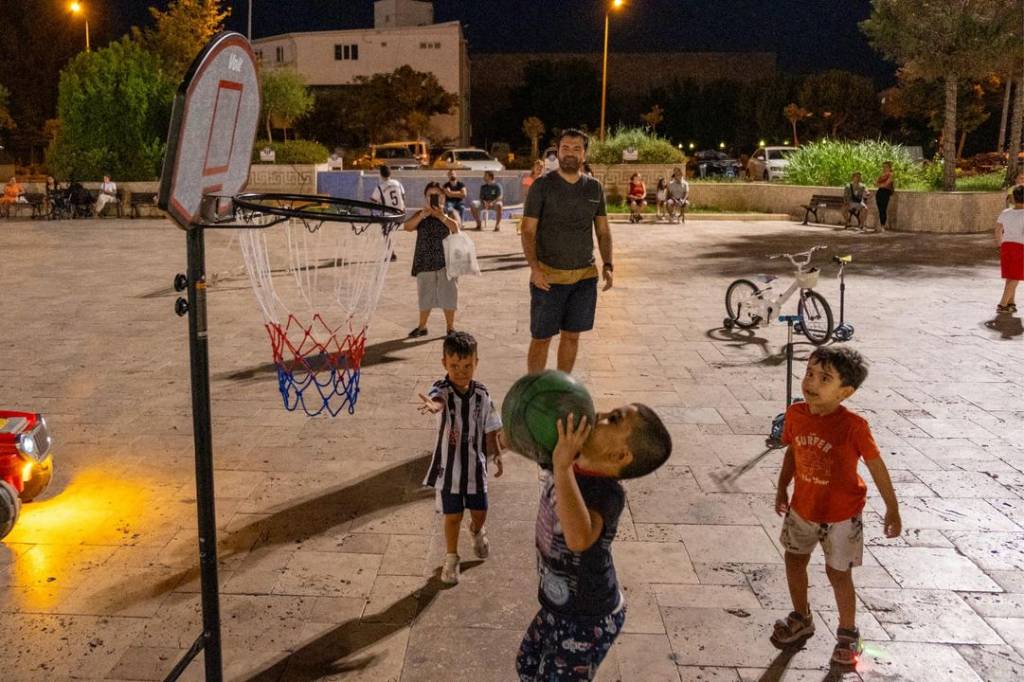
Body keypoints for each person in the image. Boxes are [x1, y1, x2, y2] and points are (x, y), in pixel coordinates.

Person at [515, 404, 673, 680]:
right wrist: (507, 437)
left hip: (588, 620)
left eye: (612, 419)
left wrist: (563, 468)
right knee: (527, 666)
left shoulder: (607, 495)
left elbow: (579, 538)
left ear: (620, 455)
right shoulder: (572, 460)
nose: (598, 415)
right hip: (559, 606)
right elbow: (532, 444)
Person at [773, 347, 901, 667]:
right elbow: (792, 452)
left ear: (845, 392)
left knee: (838, 573)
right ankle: (801, 617)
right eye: (810, 374)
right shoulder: (795, 415)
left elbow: (875, 465)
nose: (811, 382)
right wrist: (781, 486)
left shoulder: (854, 426)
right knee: (794, 560)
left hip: (842, 515)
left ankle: (847, 632)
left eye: (824, 378)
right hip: (803, 508)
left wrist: (892, 507)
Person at [521, 128, 614, 375]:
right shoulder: (542, 186)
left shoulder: (594, 188)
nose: (570, 153)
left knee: (572, 336)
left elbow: (603, 231)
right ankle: (534, 389)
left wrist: (608, 264)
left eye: (576, 149)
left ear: (584, 154)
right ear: (557, 152)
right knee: (541, 337)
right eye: (565, 148)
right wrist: (534, 269)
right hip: (548, 279)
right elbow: (528, 231)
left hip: (584, 278)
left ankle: (562, 386)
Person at [419, 331, 503, 585]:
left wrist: (496, 452)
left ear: (476, 362)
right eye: (454, 365)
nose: (461, 371)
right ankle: (451, 557)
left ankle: (476, 530)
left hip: (476, 467)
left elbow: (491, 425)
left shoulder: (482, 394)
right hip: (449, 470)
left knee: (480, 511)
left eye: (467, 366)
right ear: (444, 363)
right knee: (452, 516)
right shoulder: (442, 390)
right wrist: (434, 405)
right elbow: (436, 398)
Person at [404, 182, 461, 337]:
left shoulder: (449, 212)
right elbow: (407, 227)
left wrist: (441, 216)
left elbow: (456, 228)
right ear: (425, 197)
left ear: (442, 197)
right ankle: (422, 327)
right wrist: (423, 214)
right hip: (424, 261)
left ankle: (450, 327)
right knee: (425, 295)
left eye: (436, 195)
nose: (433, 198)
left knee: (449, 294)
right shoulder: (420, 213)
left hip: (446, 262)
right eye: (430, 195)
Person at [996, 185, 1024, 314]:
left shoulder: (1005, 212)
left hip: (1006, 246)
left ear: (1013, 198)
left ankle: (1010, 303)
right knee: (1016, 277)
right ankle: (1002, 304)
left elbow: (998, 230)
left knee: (1010, 275)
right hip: (1020, 247)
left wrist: (1000, 244)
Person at [372, 165, 406, 261]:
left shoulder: (380, 187)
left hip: (389, 215)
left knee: (386, 234)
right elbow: (403, 197)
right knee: (390, 231)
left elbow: (373, 201)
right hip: (401, 213)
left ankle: (391, 254)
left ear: (381, 175)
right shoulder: (398, 183)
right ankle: (392, 252)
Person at [873, 162, 894, 232]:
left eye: (886, 167)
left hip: (885, 193)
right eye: (883, 167)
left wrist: (879, 184)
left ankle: (883, 226)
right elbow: (875, 183)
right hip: (879, 193)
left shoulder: (891, 174)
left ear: (889, 168)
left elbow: (886, 184)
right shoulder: (881, 175)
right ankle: (879, 225)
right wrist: (880, 184)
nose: (884, 168)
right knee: (879, 209)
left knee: (883, 209)